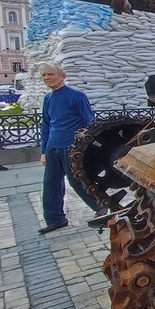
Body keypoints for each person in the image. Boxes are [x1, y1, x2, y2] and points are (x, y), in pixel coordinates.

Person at [39, 63, 102, 234]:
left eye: (50, 74)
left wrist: (90, 147)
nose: (47, 78)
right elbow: (45, 125)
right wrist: (43, 151)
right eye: (44, 75)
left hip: (72, 147)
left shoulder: (77, 96)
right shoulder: (48, 99)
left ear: (62, 76)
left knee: (78, 181)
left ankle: (100, 207)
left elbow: (90, 122)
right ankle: (55, 219)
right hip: (53, 147)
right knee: (50, 183)